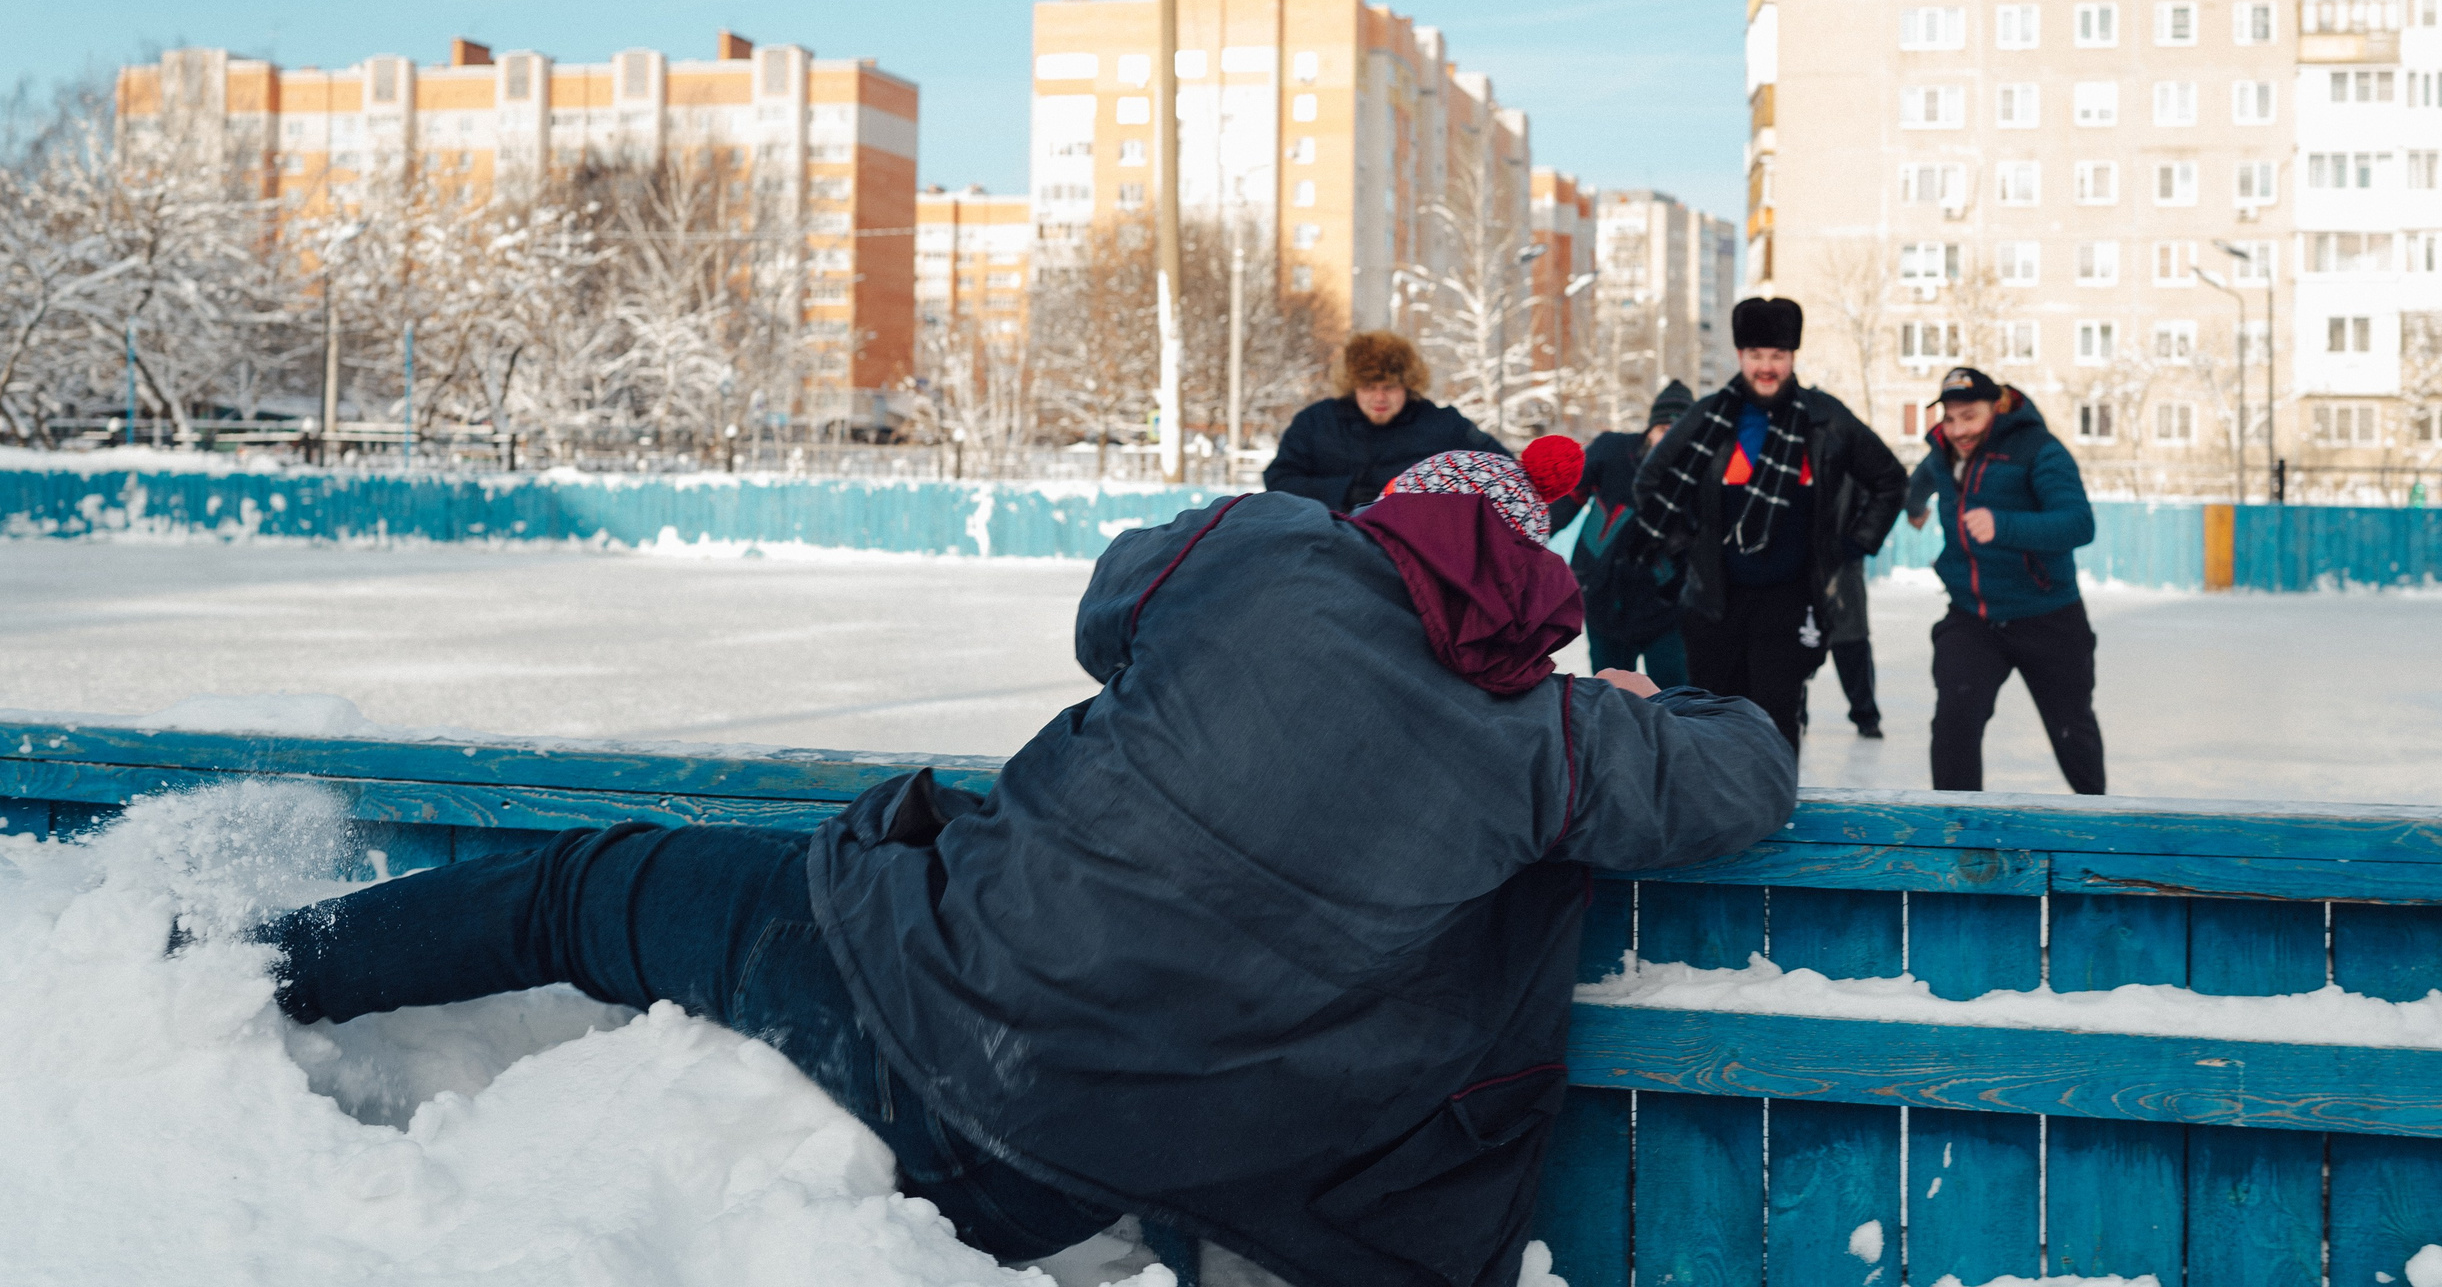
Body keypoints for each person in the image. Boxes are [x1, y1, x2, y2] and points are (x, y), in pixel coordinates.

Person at [248, 444, 1798, 1287]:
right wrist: (1644, 699)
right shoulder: (1558, 742)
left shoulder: (1269, 551)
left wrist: (1290, 535)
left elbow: (1107, 610)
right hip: (1147, 1162)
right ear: (1537, 599)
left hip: (921, 996)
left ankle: (251, 965)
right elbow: (1753, 771)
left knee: (585, 890)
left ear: (1383, 519)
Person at [1626, 296, 1908, 754]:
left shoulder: (1825, 418)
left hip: (1791, 601)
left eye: (1777, 355)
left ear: (1793, 357)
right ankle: (1717, 822)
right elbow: (1650, 481)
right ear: (1740, 356)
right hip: (1715, 604)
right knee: (1712, 724)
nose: (1767, 367)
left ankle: (1774, 819)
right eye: (1756, 355)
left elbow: (1890, 480)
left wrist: (1850, 547)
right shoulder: (1711, 415)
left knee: (1775, 725)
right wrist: (1687, 547)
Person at [1903, 366, 2104, 794]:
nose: (1958, 430)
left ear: (1997, 407)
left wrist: (2004, 526)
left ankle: (2098, 832)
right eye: (1950, 418)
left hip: (2047, 615)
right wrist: (1914, 504)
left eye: (1969, 417)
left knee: (2073, 731)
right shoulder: (1945, 449)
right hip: (1973, 617)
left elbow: (2079, 524)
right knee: (1954, 721)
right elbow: (1925, 474)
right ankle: (1958, 832)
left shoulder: (2039, 450)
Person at [1549, 379, 1695, 687]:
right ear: (1650, 429)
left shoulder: (1697, 476)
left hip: (1666, 610)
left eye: (1679, 434)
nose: (1669, 442)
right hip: (1604, 600)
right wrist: (1524, 538)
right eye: (1663, 431)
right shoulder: (1613, 451)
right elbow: (1563, 502)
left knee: (1675, 701)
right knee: (1609, 698)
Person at [1263, 329, 1507, 510]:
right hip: (1329, 543)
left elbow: (1504, 471)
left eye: (1389, 387)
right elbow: (1279, 479)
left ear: (1408, 386)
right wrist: (1345, 492)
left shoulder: (1445, 426)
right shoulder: (1315, 423)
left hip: (1414, 548)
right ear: (1353, 386)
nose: (1379, 397)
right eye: (1369, 387)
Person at [1818, 488, 1886, 739]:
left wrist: (1859, 541)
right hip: (1792, 559)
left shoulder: (1849, 452)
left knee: (1851, 641)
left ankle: (1865, 714)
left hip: (1842, 561)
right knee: (1790, 640)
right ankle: (1792, 713)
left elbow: (1887, 490)